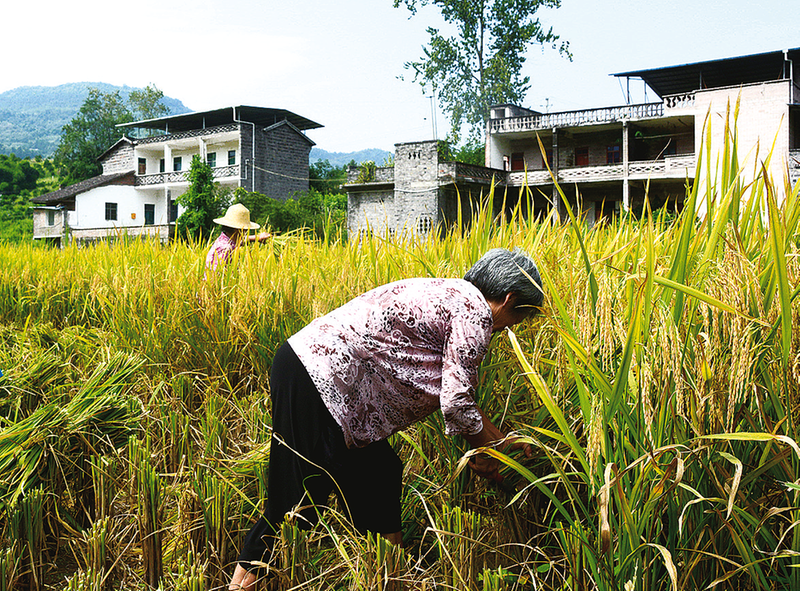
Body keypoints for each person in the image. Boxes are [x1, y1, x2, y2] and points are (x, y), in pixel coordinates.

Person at [228, 248, 544, 590]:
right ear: (509, 298)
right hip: (319, 379)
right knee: (296, 501)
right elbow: (455, 402)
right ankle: (241, 585)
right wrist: (491, 453)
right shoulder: (476, 312)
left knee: (380, 476)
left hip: (331, 387)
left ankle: (386, 578)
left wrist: (496, 445)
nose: (509, 329)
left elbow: (458, 396)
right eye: (518, 319)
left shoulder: (453, 293)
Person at [205, 203, 270, 273]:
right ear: (238, 229)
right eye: (245, 229)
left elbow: (240, 241)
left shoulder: (227, 239)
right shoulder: (225, 248)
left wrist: (257, 238)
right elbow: (216, 276)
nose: (246, 231)